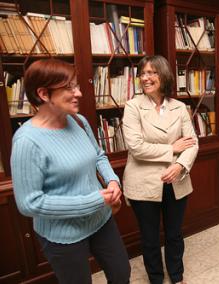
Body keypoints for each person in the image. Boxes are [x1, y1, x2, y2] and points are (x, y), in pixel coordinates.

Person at [11, 59, 130, 284]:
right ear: (44, 93)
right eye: (69, 88)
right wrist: (93, 200)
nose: (79, 93)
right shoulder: (27, 142)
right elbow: (29, 204)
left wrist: (113, 182)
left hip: (100, 220)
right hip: (62, 235)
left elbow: (98, 156)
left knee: (121, 274)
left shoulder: (79, 121)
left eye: (76, 86)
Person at [122, 55, 198, 284]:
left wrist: (180, 165)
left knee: (174, 234)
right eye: (142, 73)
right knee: (150, 237)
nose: (145, 78)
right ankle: (156, 278)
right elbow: (136, 147)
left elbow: (192, 142)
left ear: (163, 75)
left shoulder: (179, 107)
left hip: (176, 180)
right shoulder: (133, 106)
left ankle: (177, 275)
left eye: (151, 73)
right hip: (143, 182)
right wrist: (171, 148)